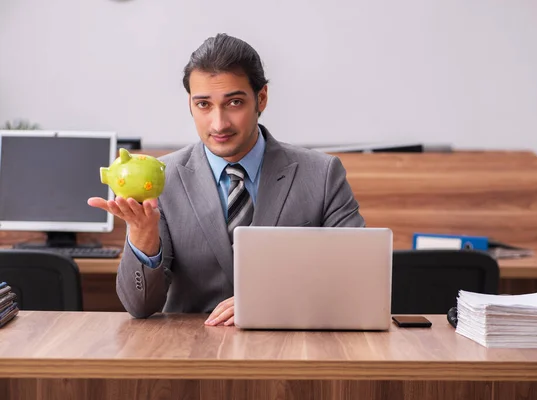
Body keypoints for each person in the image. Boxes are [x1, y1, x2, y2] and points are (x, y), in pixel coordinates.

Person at [88, 33, 365, 325]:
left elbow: (357, 274)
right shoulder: (162, 180)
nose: (218, 124)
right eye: (204, 105)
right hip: (193, 354)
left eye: (234, 103)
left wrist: (268, 300)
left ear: (261, 98)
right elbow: (140, 307)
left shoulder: (322, 174)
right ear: (190, 105)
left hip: (291, 347)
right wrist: (143, 236)